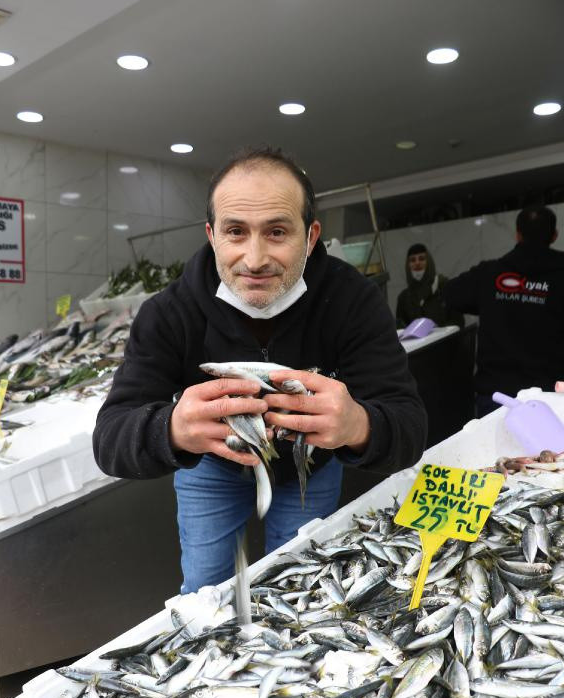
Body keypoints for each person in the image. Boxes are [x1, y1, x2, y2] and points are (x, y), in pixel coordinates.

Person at [93, 147, 427, 593]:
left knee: (302, 586)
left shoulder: (354, 302)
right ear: (212, 236)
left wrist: (358, 424)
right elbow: (109, 439)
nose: (254, 259)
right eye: (236, 232)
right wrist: (171, 428)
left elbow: (409, 426)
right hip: (211, 468)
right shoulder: (168, 313)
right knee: (206, 589)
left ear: (310, 237)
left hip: (311, 466)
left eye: (276, 232)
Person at [443, 205, 564, 417]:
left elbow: (450, 294)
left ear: (518, 234)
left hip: (498, 399)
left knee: (494, 451)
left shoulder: (489, 273)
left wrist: (493, 302)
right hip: (551, 397)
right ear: (554, 235)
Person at [396, 243, 464, 329]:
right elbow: (401, 330)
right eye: (412, 260)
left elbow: (458, 322)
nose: (417, 263)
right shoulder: (404, 298)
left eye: (422, 258)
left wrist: (438, 332)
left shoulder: (444, 287)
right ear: (408, 265)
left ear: (429, 262)